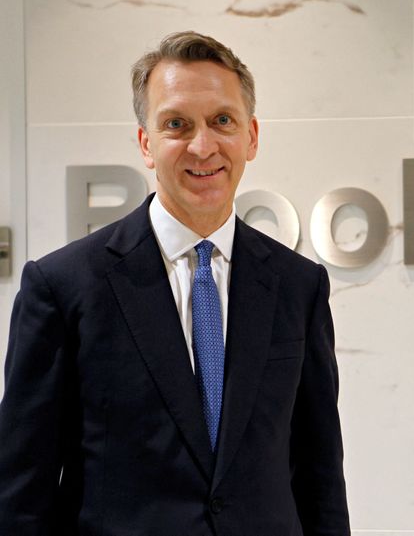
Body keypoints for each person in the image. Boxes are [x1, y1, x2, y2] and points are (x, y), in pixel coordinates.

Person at [0, 31, 350, 535]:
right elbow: (22, 492)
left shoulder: (300, 286)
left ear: (251, 136)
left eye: (222, 121)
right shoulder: (62, 286)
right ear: (146, 143)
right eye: (176, 125)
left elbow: (319, 475)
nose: (202, 146)